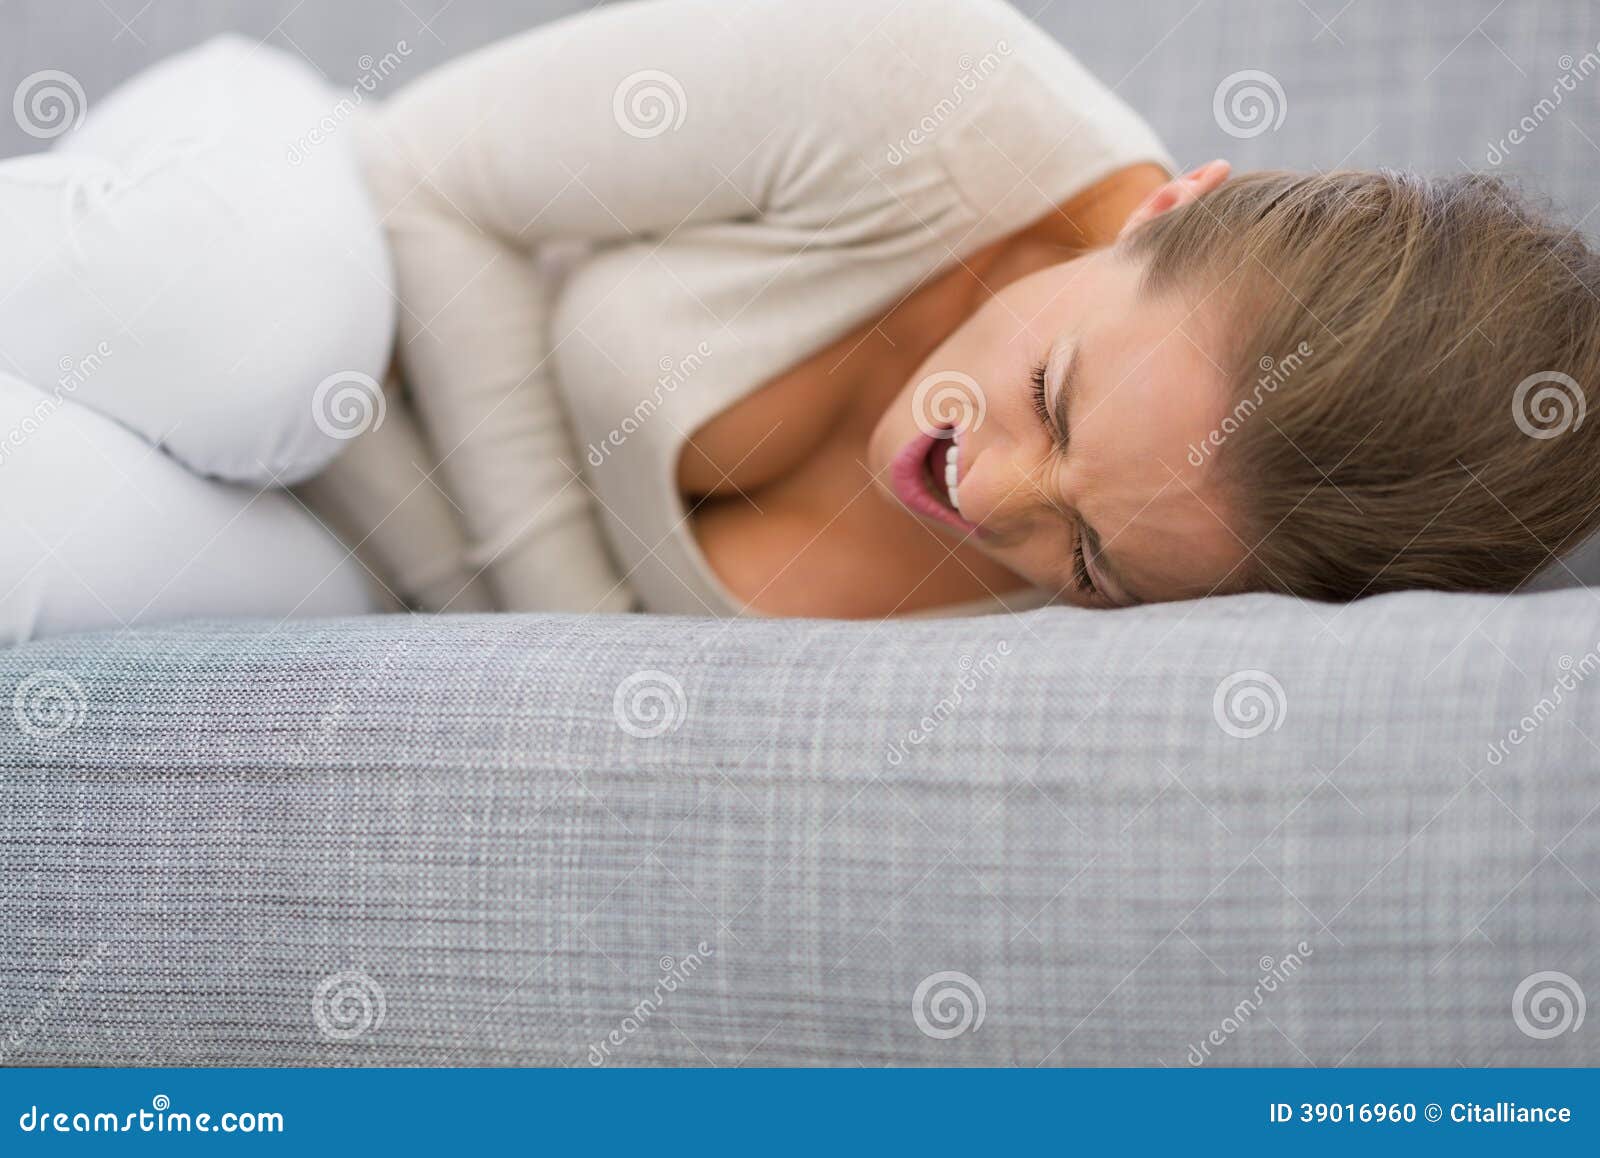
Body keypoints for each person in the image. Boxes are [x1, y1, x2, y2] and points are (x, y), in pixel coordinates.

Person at [4, 0, 1599, 642]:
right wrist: (566, 626)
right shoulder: (926, 80)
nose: (992, 497)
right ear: (1172, 205)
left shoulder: (1151, 601)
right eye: (1050, 394)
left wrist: (469, 591)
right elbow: (426, 175)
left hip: (359, 547)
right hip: (274, 229)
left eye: (1093, 560)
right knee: (266, 343)